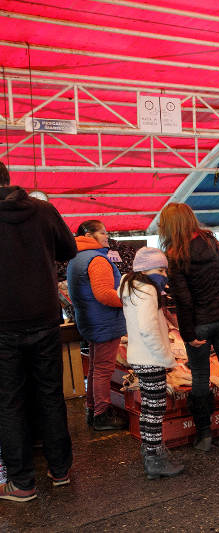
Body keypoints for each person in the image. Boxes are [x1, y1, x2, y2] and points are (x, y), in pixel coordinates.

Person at [0, 162, 77, 502]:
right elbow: (69, 250)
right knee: (50, 395)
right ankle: (60, 470)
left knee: (9, 401)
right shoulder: (44, 210)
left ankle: (22, 483)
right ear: (8, 180)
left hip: (3, 325)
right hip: (46, 317)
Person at [158, 203, 219, 450]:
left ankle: (205, 436)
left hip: (201, 323)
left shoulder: (175, 256)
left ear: (170, 226)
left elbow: (184, 300)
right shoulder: (212, 242)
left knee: (200, 376)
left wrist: (187, 333)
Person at [119, 247, 184, 480]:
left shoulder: (131, 288)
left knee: (149, 407)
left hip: (139, 357)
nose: (164, 275)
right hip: (150, 358)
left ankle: (151, 453)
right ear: (145, 270)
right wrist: (163, 356)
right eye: (160, 269)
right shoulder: (147, 290)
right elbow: (148, 329)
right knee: (155, 409)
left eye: (165, 270)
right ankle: (155, 459)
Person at [68, 219, 128, 431]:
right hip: (104, 320)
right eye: (103, 233)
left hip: (89, 320)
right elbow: (104, 294)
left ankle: (92, 408)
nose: (107, 236)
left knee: (95, 367)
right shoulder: (97, 260)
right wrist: (129, 301)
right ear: (90, 236)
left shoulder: (76, 259)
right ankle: (102, 414)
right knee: (103, 369)